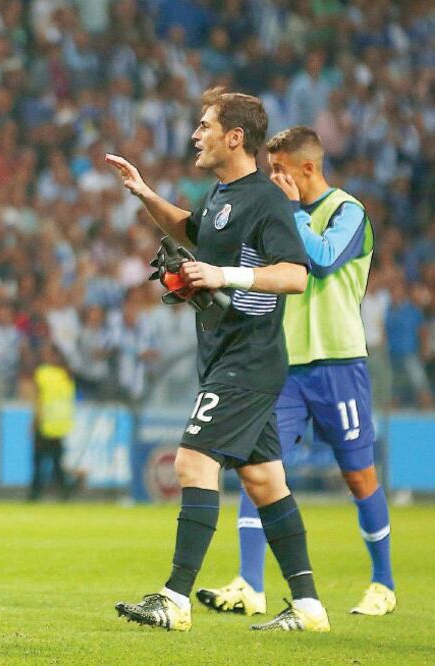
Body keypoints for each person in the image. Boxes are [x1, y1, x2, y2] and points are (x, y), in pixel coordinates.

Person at [107, 87, 330, 632]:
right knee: (264, 482)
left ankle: (174, 600)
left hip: (248, 358)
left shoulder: (266, 200)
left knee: (191, 462)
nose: (195, 134)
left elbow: (296, 275)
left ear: (235, 137)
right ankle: (308, 606)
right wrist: (144, 194)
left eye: (205, 125)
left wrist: (223, 275)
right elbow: (192, 231)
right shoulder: (219, 196)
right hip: (225, 352)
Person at [196, 126, 394, 617]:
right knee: (257, 469)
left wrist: (291, 212)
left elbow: (322, 262)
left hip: (337, 362)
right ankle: (249, 583)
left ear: (308, 168)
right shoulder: (274, 213)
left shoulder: (349, 212)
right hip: (284, 366)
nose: (273, 178)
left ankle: (383, 583)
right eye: (269, 170)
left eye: (280, 170)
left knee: (358, 474)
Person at [29, 343, 76, 501]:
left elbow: (40, 400)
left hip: (45, 423)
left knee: (38, 462)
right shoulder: (66, 374)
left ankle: (35, 495)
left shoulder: (43, 373)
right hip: (60, 424)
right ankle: (64, 494)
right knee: (57, 464)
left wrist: (34, 421)